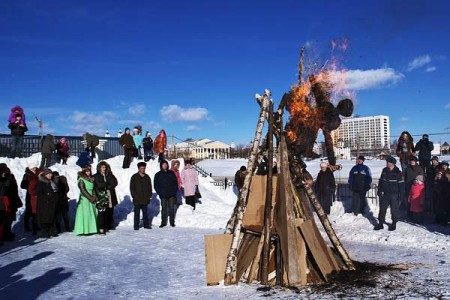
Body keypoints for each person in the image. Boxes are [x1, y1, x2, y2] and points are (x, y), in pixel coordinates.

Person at [374, 156, 404, 231]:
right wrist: (379, 190)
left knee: (394, 209)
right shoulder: (384, 170)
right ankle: (380, 223)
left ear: (393, 163)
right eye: (387, 162)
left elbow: (401, 185)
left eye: (389, 162)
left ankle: (394, 223)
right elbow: (381, 181)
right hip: (385, 193)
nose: (387, 164)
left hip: (394, 194)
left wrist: (401, 196)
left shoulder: (398, 172)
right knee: (382, 209)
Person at [94, 161, 119, 233]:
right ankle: (101, 227)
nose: (104, 169)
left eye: (105, 167)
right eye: (102, 167)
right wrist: (106, 185)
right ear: (99, 168)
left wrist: (107, 186)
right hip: (102, 197)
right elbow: (99, 185)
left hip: (110, 195)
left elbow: (115, 183)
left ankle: (108, 225)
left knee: (110, 211)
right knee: (102, 212)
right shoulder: (96, 176)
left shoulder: (109, 175)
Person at [0, 163, 22, 241]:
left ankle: (7, 233)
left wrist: (16, 199)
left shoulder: (10, 177)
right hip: (2, 201)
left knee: (9, 219)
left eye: (4, 170)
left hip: (10, 201)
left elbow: (14, 188)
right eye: (2, 170)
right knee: (2, 220)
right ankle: (2, 235)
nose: (4, 172)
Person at [74, 166, 98, 235]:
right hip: (85, 199)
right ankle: (84, 229)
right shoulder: (81, 179)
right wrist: (90, 198)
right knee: (85, 214)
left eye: (89, 171)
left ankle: (91, 229)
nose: (88, 173)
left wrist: (94, 196)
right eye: (87, 171)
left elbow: (93, 189)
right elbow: (83, 190)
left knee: (91, 213)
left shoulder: (91, 179)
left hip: (91, 198)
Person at [155, 160, 178, 227]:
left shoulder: (171, 173)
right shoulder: (158, 174)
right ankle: (163, 222)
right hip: (163, 195)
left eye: (166, 164)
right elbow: (156, 185)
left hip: (171, 194)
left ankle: (172, 222)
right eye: (163, 164)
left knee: (171, 208)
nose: (165, 166)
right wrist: (160, 193)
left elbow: (175, 183)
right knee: (164, 209)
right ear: (161, 166)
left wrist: (174, 192)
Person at [36, 168, 58, 238]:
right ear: (45, 174)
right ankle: (44, 232)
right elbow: (39, 193)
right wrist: (46, 198)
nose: (50, 175)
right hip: (45, 204)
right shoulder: (41, 182)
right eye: (48, 174)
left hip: (52, 203)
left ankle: (51, 231)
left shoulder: (51, 181)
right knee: (45, 219)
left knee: (51, 218)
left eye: (51, 173)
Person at [130, 162, 153, 230]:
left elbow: (150, 187)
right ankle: (136, 225)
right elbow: (132, 187)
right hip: (137, 199)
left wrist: (149, 195)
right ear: (139, 169)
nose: (143, 169)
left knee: (145, 213)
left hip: (145, 198)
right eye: (141, 168)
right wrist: (134, 195)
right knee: (137, 213)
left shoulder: (147, 177)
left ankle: (146, 225)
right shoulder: (134, 177)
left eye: (144, 168)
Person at [20, 163, 41, 234]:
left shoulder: (39, 174)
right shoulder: (27, 175)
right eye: (32, 168)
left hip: (37, 194)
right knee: (29, 210)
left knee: (37, 210)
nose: (34, 169)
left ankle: (36, 224)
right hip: (29, 195)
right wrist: (30, 186)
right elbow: (22, 185)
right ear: (29, 169)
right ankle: (26, 225)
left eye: (35, 167)